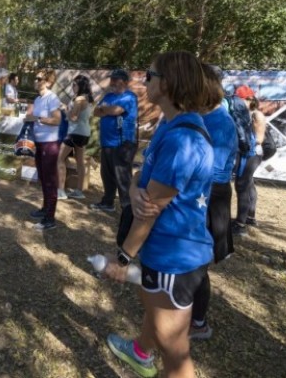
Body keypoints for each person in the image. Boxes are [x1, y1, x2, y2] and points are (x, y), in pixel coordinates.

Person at [101, 51, 218, 378]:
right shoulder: (171, 124)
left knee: (175, 352)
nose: (143, 81)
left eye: (149, 76)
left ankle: (145, 354)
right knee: (155, 310)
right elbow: (144, 176)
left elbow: (149, 213)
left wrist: (122, 261)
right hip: (166, 254)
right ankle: (140, 352)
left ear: (167, 84)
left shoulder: (182, 139)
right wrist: (137, 188)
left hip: (174, 257)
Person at [189, 64, 238, 340]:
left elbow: (215, 169)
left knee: (198, 262)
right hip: (198, 193)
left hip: (210, 195)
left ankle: (198, 322)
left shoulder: (221, 122)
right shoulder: (197, 115)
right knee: (190, 258)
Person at [89, 68, 138, 213]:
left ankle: (127, 208)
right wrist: (106, 109)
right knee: (107, 175)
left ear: (124, 82)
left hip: (123, 143)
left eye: (115, 80)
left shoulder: (130, 97)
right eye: (112, 80)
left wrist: (106, 109)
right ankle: (108, 202)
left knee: (123, 177)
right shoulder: (109, 96)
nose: (112, 83)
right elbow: (96, 111)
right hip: (107, 142)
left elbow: (116, 110)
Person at [27, 69, 63, 231]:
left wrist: (39, 119)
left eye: (39, 78)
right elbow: (33, 117)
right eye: (35, 78)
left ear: (48, 82)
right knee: (42, 177)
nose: (35, 80)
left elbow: (57, 120)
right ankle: (45, 208)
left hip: (50, 144)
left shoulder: (52, 98)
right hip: (40, 143)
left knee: (50, 181)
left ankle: (50, 217)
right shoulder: (38, 98)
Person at [232, 85, 266, 235]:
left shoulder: (256, 115)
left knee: (242, 185)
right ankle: (250, 217)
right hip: (249, 152)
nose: (240, 103)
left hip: (252, 153)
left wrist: (246, 144)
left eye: (243, 100)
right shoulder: (244, 114)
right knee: (248, 184)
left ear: (251, 99)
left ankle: (240, 225)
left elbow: (259, 138)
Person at [57, 74, 94, 200]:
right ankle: (79, 191)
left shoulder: (79, 100)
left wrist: (64, 109)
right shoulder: (87, 98)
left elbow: (73, 117)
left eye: (74, 85)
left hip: (74, 132)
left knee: (59, 158)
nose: (72, 87)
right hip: (84, 133)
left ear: (81, 86)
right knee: (80, 162)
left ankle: (61, 191)